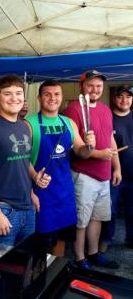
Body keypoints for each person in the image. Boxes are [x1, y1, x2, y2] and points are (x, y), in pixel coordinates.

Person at [0, 74, 51, 246]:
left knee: (23, 264)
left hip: (27, 207)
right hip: (4, 209)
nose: (14, 98)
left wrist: (34, 180)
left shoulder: (23, 126)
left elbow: (23, 161)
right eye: (7, 93)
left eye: (18, 93)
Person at [25, 80, 95, 256]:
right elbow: (21, 159)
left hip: (64, 192)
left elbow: (81, 151)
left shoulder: (69, 123)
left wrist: (89, 147)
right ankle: (38, 277)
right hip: (40, 192)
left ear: (61, 97)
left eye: (56, 94)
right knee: (40, 243)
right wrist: (33, 179)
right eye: (47, 94)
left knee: (62, 239)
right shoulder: (29, 123)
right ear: (39, 97)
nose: (52, 98)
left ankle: (55, 276)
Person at [64, 70, 121, 269]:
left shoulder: (106, 110)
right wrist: (99, 154)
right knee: (82, 219)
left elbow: (110, 139)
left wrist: (116, 167)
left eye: (98, 86)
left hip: (104, 175)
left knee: (97, 217)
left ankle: (93, 253)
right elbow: (75, 146)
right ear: (82, 87)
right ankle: (80, 258)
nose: (95, 89)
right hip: (84, 175)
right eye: (90, 85)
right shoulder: (73, 109)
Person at [101, 86, 133, 250]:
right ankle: (105, 241)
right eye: (121, 96)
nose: (124, 100)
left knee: (132, 210)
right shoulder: (108, 118)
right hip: (113, 174)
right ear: (114, 98)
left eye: (128, 97)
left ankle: (131, 239)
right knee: (110, 211)